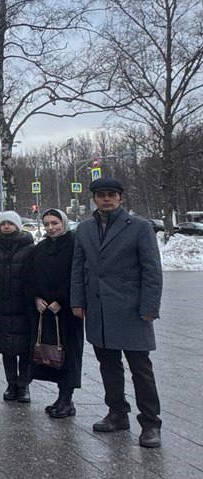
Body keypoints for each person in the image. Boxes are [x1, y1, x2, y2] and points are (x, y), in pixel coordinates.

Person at [71, 176, 164, 448]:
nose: (107, 199)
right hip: (98, 310)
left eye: (112, 194)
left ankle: (150, 423)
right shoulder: (85, 228)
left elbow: (151, 270)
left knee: (140, 369)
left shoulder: (139, 227)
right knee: (108, 365)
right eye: (101, 195)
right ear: (94, 199)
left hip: (132, 311)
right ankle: (117, 413)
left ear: (121, 198)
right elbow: (78, 267)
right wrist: (77, 301)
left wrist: (149, 307)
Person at [26, 208, 84, 419]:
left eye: (55, 223)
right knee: (52, 354)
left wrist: (62, 299)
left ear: (64, 223)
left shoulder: (75, 245)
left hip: (67, 311)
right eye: (47, 224)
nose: (51, 228)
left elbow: (76, 276)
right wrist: (36, 298)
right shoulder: (40, 248)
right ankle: (60, 398)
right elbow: (30, 275)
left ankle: (67, 399)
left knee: (69, 353)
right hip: (45, 311)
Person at [0, 211, 35, 403]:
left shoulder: (29, 247)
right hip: (1, 303)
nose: (6, 227)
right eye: (3, 224)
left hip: (24, 304)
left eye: (10, 224)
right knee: (7, 347)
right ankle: (11, 383)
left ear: (17, 226)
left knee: (25, 348)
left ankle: (24, 384)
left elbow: (36, 275)